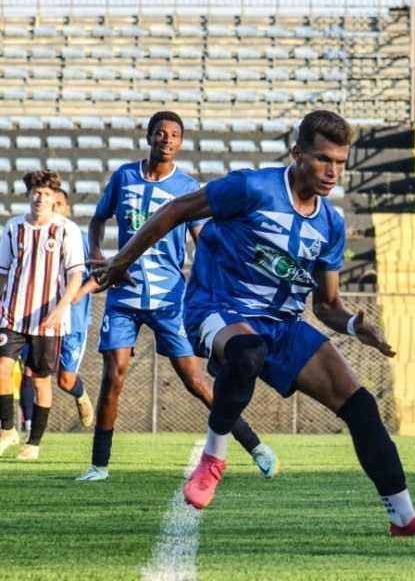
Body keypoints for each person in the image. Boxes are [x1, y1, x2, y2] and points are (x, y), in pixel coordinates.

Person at [92, 109, 415, 537]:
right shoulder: (251, 187)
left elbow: (327, 304)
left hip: (282, 324)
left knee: (361, 406)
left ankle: (403, 518)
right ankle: (214, 457)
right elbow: (175, 210)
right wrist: (120, 260)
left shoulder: (331, 225)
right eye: (323, 159)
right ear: (297, 154)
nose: (333, 171)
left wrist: (354, 325)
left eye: (340, 162)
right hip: (218, 307)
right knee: (247, 352)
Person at [78, 110, 276, 482]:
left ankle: (255, 446)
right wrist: (97, 252)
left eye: (174, 135)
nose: (167, 140)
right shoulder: (124, 177)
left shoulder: (187, 188)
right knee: (113, 376)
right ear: (150, 137)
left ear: (180, 143)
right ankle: (98, 466)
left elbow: (204, 240)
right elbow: (97, 219)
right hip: (125, 295)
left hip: (171, 298)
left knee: (195, 380)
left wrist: (220, 280)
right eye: (161, 133)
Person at [0, 170, 86, 460]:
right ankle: (8, 430)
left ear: (54, 198)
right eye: (36, 192)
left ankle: (33, 443)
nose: (40, 197)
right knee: (1, 369)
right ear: (28, 195)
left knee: (40, 381)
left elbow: (75, 275)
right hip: (12, 314)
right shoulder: (13, 228)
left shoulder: (66, 230)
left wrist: (62, 308)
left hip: (48, 319)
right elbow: (2, 273)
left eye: (46, 193)